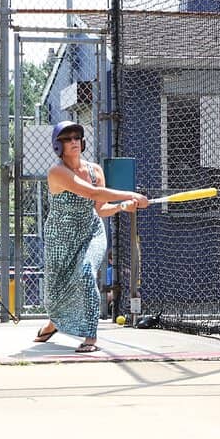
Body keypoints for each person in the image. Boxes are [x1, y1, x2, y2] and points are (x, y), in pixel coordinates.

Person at [34, 121, 148, 351]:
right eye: (67, 138)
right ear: (59, 146)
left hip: (91, 232)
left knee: (85, 272)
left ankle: (90, 336)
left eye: (77, 137)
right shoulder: (57, 172)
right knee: (57, 290)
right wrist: (131, 193)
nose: (74, 141)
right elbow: (91, 192)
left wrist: (122, 206)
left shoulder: (95, 171)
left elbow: (99, 208)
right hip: (61, 238)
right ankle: (54, 322)